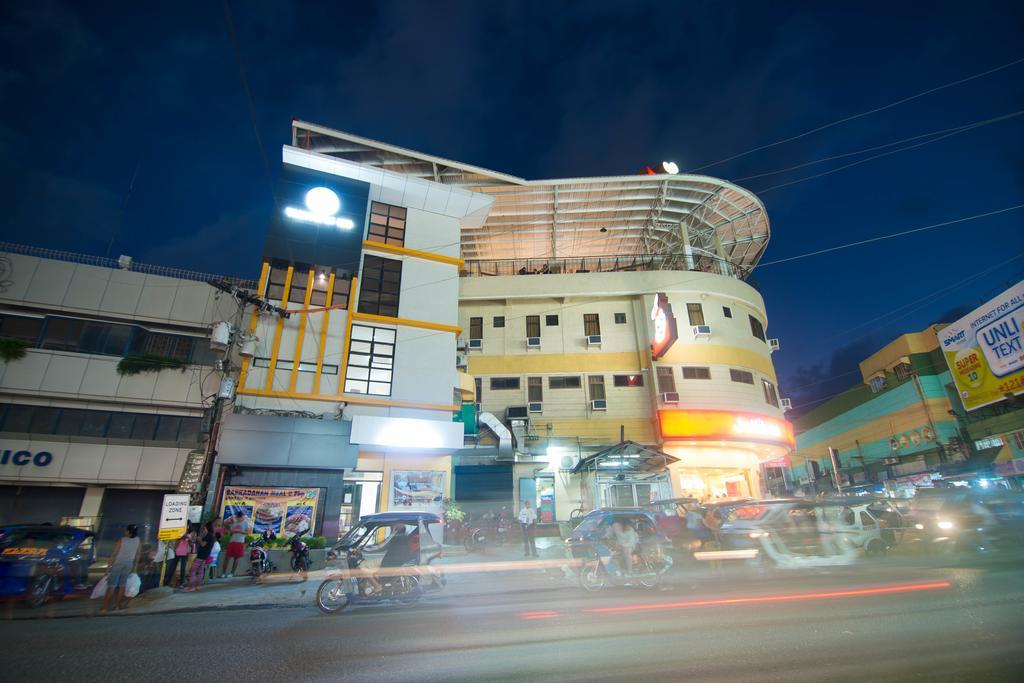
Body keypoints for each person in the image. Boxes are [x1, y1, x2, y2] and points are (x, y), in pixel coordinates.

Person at [365, 522, 416, 595]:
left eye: (393, 524)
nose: (391, 526)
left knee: (364, 567)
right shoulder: (403, 534)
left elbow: (382, 545)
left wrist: (365, 549)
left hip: (392, 561)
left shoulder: (396, 534)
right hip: (397, 559)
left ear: (397, 525)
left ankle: (377, 586)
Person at [102, 524, 141, 613]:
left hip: (118, 564)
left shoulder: (121, 540)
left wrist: (108, 569)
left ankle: (105, 607)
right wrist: (135, 567)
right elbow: (138, 554)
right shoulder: (138, 540)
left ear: (128, 531)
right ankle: (117, 606)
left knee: (112, 586)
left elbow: (114, 554)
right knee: (122, 585)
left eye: (126, 530)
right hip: (129, 564)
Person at [185, 522, 213, 592]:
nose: (203, 530)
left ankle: (191, 587)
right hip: (205, 555)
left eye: (204, 528)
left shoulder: (208, 536)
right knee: (200, 571)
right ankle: (198, 586)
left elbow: (203, 544)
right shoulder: (210, 535)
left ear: (206, 528)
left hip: (201, 555)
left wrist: (199, 539)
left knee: (192, 570)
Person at [222, 510, 250, 578]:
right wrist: (228, 523)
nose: (239, 518)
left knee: (236, 558)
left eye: (240, 517)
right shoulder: (234, 522)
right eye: (238, 517)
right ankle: (223, 573)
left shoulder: (245, 522)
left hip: (240, 542)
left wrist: (239, 531)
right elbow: (226, 526)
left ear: (242, 517)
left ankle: (232, 573)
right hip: (232, 541)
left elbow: (248, 532)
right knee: (227, 558)